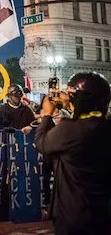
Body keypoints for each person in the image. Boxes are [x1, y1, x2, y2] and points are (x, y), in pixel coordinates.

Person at [35, 72, 111, 234]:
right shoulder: (105, 127)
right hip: (103, 211)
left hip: (73, 213)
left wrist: (47, 115)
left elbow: (42, 143)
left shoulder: (69, 130)